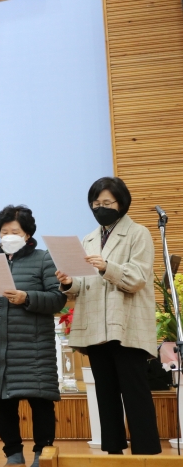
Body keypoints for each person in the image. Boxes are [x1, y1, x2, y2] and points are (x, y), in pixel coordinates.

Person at [56, 176, 161, 455]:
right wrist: (68, 282)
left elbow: (137, 278)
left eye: (106, 202)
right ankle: (113, 453)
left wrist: (106, 267)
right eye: (95, 203)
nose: (100, 208)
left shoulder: (138, 233)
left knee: (135, 393)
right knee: (105, 395)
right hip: (95, 327)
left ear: (121, 203)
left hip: (126, 325)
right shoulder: (89, 239)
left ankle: (146, 454)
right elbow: (83, 284)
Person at [0, 206, 66, 467]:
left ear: (27, 234)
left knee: (40, 402)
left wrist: (27, 297)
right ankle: (13, 453)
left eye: (15, 231)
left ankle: (42, 453)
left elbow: (58, 299)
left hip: (34, 347)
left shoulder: (43, 259)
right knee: (4, 402)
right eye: (4, 232)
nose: (8, 236)